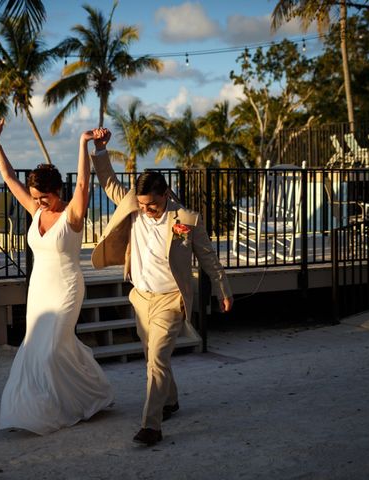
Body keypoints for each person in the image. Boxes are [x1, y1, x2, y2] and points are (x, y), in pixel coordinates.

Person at [89, 128, 233, 446]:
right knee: (154, 358)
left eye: (151, 204)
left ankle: (151, 426)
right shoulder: (133, 206)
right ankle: (170, 401)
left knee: (156, 360)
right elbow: (109, 181)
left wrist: (223, 290)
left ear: (165, 194)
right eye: (141, 204)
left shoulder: (187, 219)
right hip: (141, 298)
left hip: (171, 300)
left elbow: (208, 257)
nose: (145, 209)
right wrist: (100, 151)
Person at [0, 118, 114, 435]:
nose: (38, 200)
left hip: (67, 287)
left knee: (50, 349)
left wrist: (83, 145)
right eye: (34, 195)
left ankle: (70, 401)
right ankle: (81, 395)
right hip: (39, 290)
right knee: (38, 347)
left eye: (43, 196)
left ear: (57, 191)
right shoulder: (35, 210)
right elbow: (7, 177)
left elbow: (84, 186)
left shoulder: (72, 213)